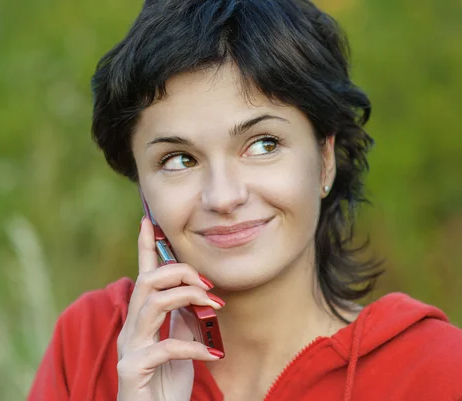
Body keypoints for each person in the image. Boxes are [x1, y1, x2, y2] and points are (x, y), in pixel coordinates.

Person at [27, 0, 462, 400]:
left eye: (263, 144)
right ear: (141, 184)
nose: (224, 197)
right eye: (179, 159)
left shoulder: (437, 370)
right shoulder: (91, 344)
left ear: (325, 159)